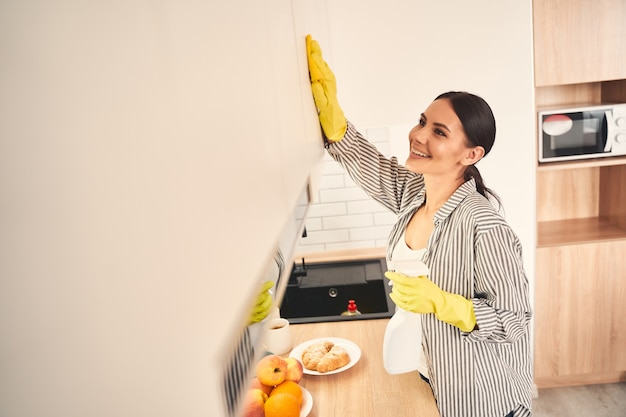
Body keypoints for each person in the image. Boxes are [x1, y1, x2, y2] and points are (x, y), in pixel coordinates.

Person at [305, 35, 533, 417]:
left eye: (439, 132)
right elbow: (373, 168)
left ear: (471, 154)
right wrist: (335, 123)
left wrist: (449, 305)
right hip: (432, 376)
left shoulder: (484, 225)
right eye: (422, 121)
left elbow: (515, 321)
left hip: (482, 397)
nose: (419, 135)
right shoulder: (414, 193)